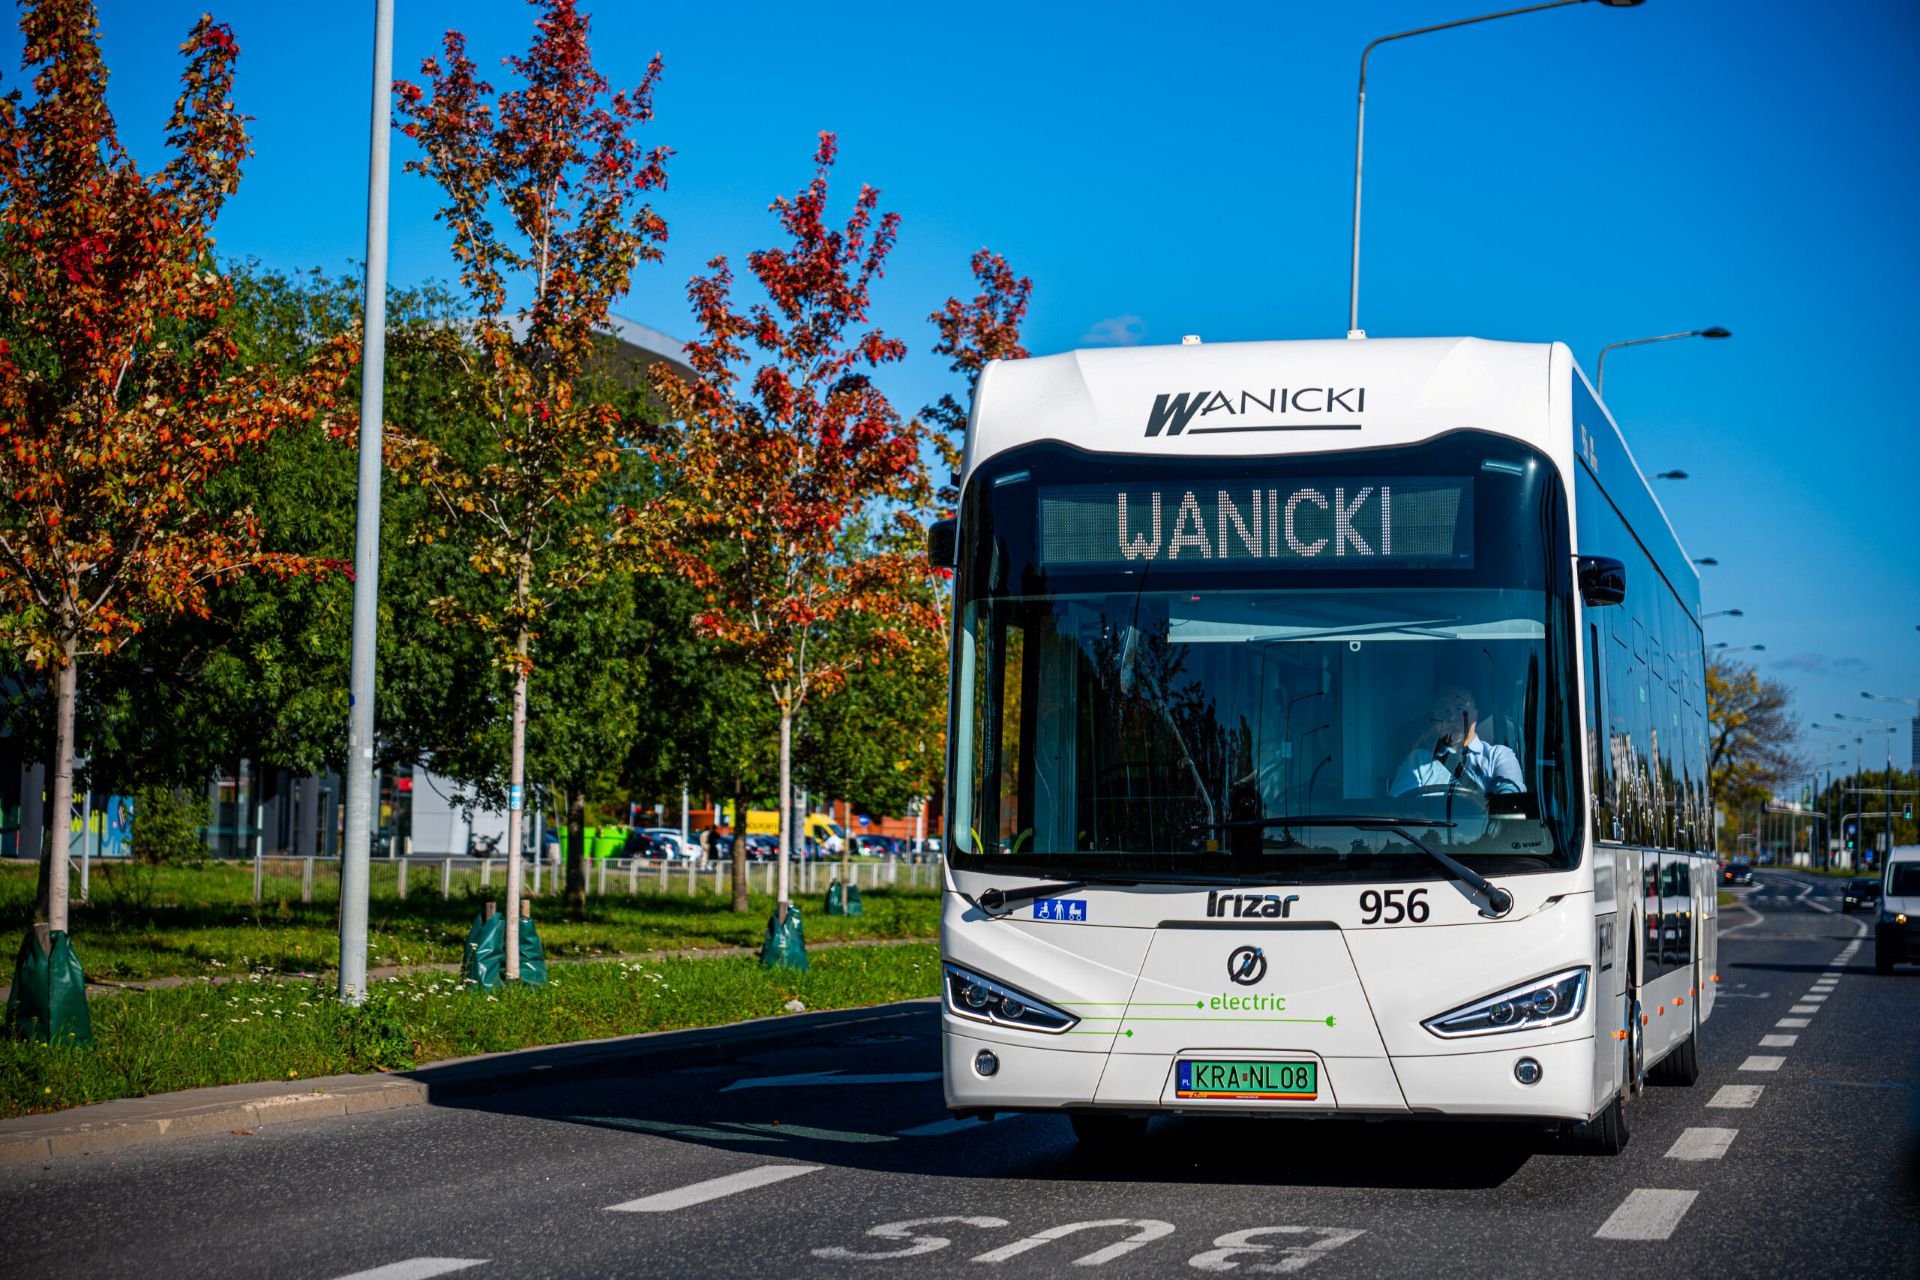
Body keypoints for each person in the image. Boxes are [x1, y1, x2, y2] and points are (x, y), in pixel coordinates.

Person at [1391, 686, 1525, 797]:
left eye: (1460, 709)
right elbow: (1400, 806)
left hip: (1483, 829)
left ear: (1475, 714)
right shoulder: (1417, 760)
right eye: (1444, 711)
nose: (1452, 717)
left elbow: (1510, 800)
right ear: (1436, 721)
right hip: (1427, 829)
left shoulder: (1498, 755)